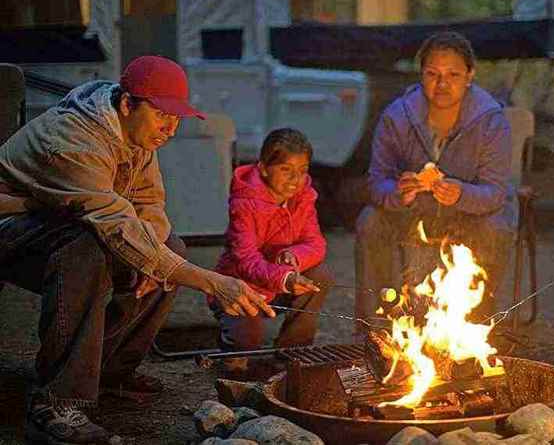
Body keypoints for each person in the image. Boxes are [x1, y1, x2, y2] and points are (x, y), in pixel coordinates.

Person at [0, 56, 273, 444]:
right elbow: (116, 227)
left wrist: (156, 258)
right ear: (128, 104)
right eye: (162, 115)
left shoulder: (135, 135)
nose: (170, 129)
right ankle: (55, 404)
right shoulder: (73, 141)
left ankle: (110, 372)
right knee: (85, 251)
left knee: (168, 247)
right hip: (10, 228)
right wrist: (210, 282)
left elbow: (149, 205)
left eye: (177, 119)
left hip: (56, 222)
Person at [355, 31, 517, 328]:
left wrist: (461, 194)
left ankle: (476, 325)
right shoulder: (397, 117)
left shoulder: (490, 119)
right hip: (414, 214)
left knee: (496, 226)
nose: (442, 84)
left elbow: (496, 192)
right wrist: (398, 193)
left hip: (470, 216)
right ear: (421, 76)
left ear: (470, 75)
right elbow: (376, 182)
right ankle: (374, 327)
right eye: (432, 74)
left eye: (453, 74)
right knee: (370, 221)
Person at [212, 128, 332, 359]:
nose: (295, 180)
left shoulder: (304, 198)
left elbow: (315, 242)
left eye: (302, 170)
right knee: (247, 340)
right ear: (264, 169)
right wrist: (284, 278)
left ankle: (292, 350)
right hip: (241, 288)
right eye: (285, 170)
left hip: (280, 286)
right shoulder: (245, 203)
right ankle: (233, 351)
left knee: (321, 275)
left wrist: (294, 256)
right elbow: (245, 259)